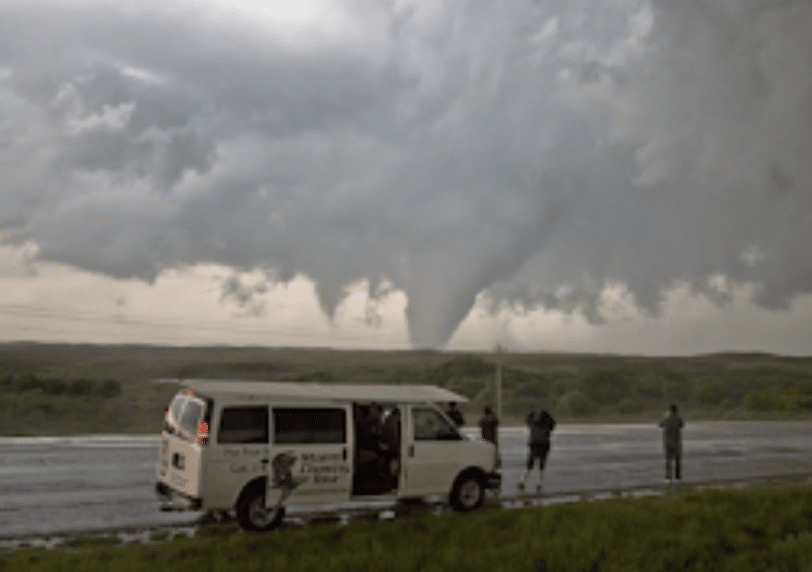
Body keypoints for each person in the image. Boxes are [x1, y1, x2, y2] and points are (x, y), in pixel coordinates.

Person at [519, 408, 556, 493]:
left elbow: (527, 419)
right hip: (544, 445)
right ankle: (540, 484)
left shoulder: (533, 423)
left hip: (534, 445)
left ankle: (522, 481)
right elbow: (553, 424)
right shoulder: (548, 424)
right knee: (541, 466)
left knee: (529, 465)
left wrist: (532, 413)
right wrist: (549, 416)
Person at [659, 404, 684, 482]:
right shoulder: (678, 417)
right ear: (676, 410)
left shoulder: (665, 417)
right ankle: (678, 476)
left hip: (667, 442)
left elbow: (660, 425)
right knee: (677, 460)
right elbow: (682, 425)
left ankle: (668, 476)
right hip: (676, 442)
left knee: (668, 460)